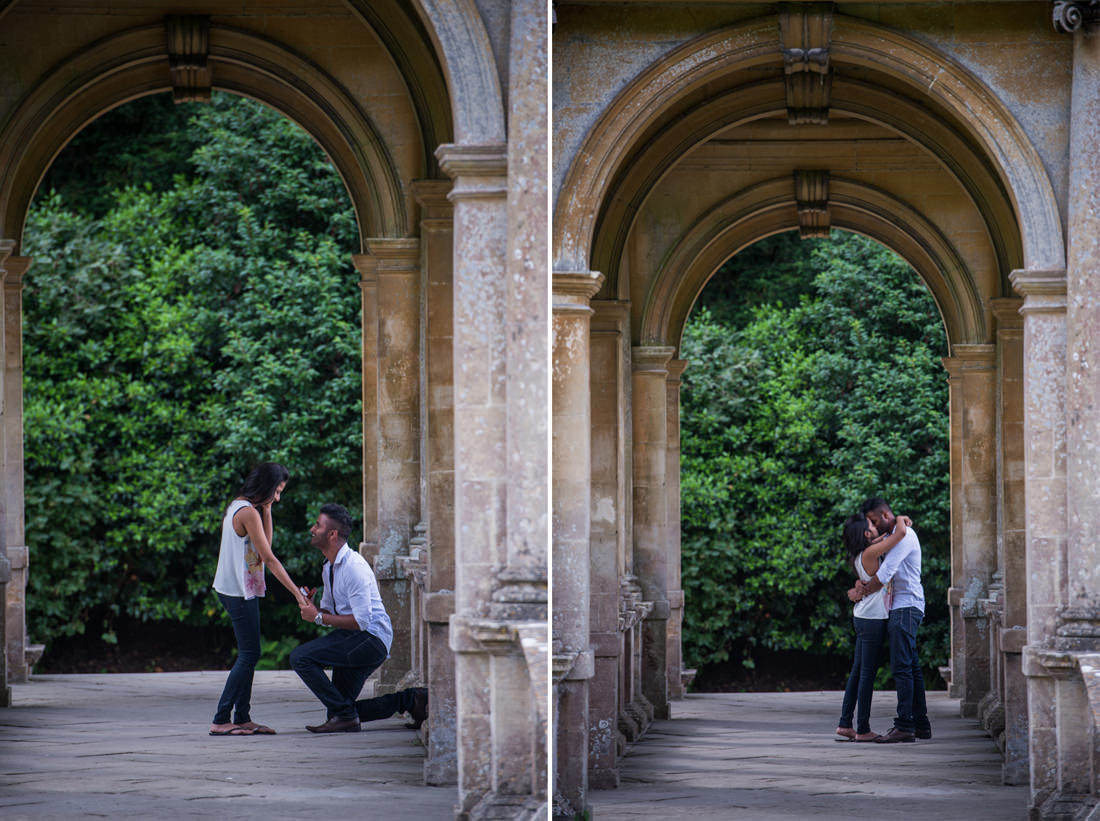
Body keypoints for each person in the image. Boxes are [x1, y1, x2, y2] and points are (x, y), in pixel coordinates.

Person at [209, 462, 308, 737]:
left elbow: (266, 545)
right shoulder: (248, 513)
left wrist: (269, 510)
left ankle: (241, 716)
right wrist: (297, 594)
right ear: (265, 486)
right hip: (237, 591)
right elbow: (269, 559)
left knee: (249, 654)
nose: (277, 498)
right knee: (250, 654)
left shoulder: (239, 506)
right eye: (276, 492)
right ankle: (221, 719)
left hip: (234, 589)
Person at [291, 503, 396, 733]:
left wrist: (317, 617)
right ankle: (411, 700)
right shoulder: (329, 566)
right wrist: (313, 607)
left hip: (371, 639)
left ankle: (346, 715)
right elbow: (330, 613)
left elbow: (362, 622)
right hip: (354, 637)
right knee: (339, 709)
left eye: (317, 525)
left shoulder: (353, 567)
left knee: (300, 658)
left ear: (332, 534)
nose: (312, 528)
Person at [854, 496, 932, 743]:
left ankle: (905, 726)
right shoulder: (893, 535)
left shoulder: (904, 537)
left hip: (906, 606)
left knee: (901, 666)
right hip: (901, 607)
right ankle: (921, 724)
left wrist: (862, 591)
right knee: (911, 666)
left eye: (875, 520)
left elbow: (885, 574)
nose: (873, 526)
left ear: (886, 516)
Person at [835, 511, 911, 742]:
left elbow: (883, 539)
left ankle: (845, 724)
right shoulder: (870, 553)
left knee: (858, 672)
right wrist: (900, 518)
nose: (877, 526)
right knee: (867, 674)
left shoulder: (861, 553)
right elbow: (899, 534)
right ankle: (863, 729)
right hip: (872, 619)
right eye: (872, 524)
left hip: (864, 616)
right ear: (867, 533)